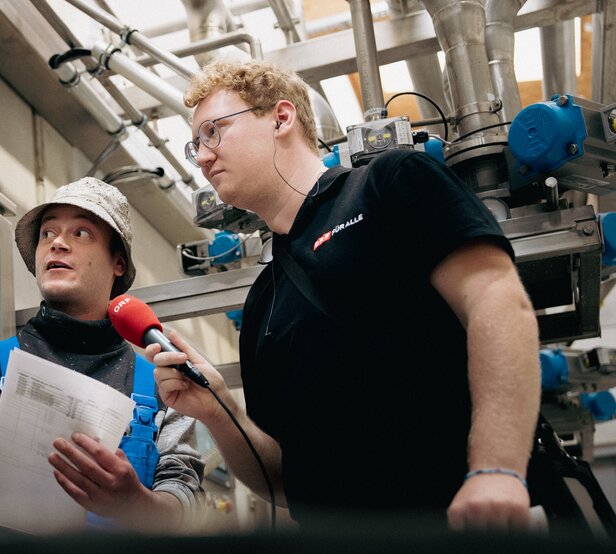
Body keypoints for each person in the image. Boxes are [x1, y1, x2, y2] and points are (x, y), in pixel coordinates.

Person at [148, 60, 540, 530]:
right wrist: (221, 410)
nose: (203, 157)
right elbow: (283, 482)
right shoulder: (262, 304)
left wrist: (497, 469)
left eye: (213, 131)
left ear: (281, 118)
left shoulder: (390, 183)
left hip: (457, 522)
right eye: (195, 145)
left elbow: (497, 300)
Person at [0, 177, 204, 532]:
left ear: (118, 262)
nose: (57, 243)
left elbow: (184, 505)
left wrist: (135, 503)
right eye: (48, 233)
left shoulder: (163, 391)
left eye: (81, 233)